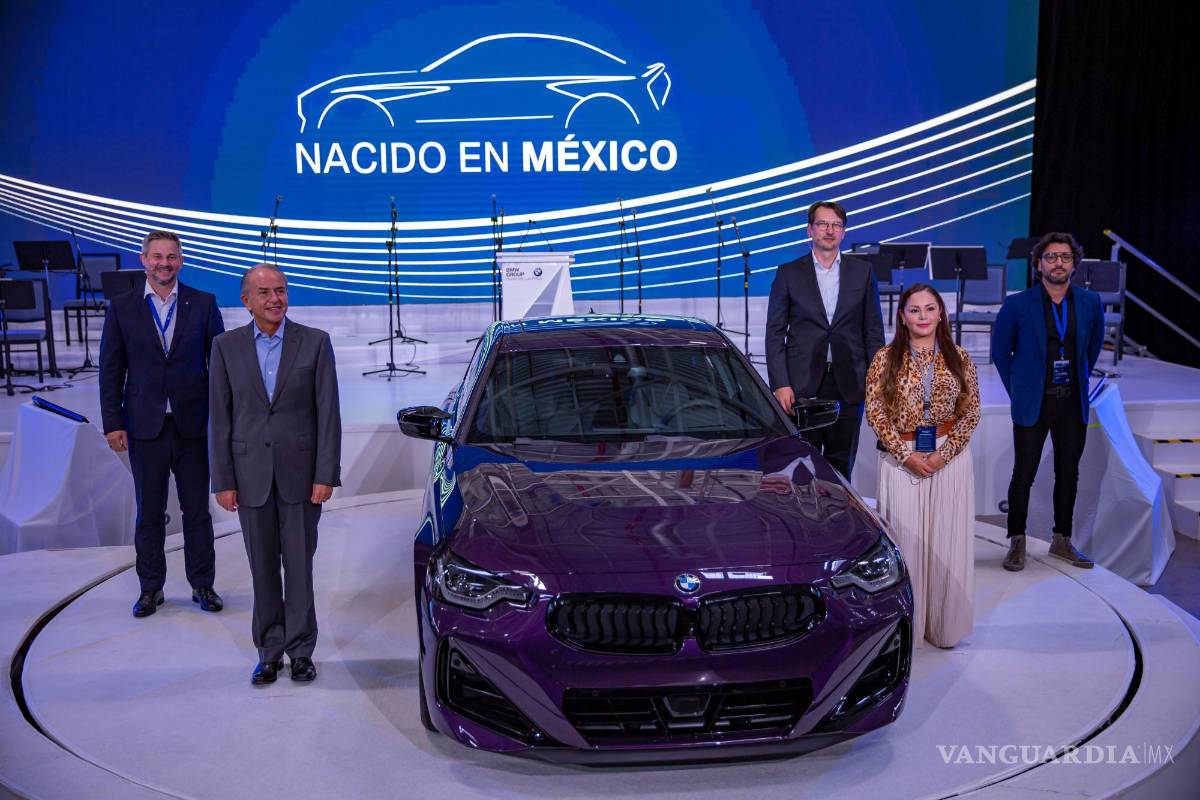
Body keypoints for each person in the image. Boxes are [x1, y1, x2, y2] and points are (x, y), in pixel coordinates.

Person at [209, 264, 341, 685]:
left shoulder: (315, 343)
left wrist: (326, 473)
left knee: (299, 568)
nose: (275, 299)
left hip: (301, 476)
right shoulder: (225, 347)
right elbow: (221, 418)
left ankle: (301, 651)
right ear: (246, 300)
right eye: (264, 292)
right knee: (262, 568)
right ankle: (269, 651)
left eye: (281, 290)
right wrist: (223, 480)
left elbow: (328, 415)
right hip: (249, 478)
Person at [99, 230, 225, 618]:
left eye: (171, 257)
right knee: (148, 513)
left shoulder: (203, 303)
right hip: (143, 426)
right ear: (143, 260)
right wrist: (112, 422)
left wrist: (221, 422)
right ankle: (150, 588)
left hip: (193, 426)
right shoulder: (122, 307)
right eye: (157, 257)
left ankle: (202, 585)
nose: (164, 263)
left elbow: (219, 368)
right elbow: (111, 368)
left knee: (197, 513)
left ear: (181, 261)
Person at [866, 284, 980, 648]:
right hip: (902, 459)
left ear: (941, 313)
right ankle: (908, 631)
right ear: (902, 316)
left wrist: (943, 455)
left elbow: (972, 411)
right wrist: (905, 454)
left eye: (930, 309)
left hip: (949, 457)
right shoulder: (885, 358)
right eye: (914, 310)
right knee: (907, 544)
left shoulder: (959, 356)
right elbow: (875, 412)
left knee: (946, 545)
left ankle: (944, 626)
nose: (923, 317)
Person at [992, 232, 1104, 571]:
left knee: (1068, 472)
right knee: (1023, 473)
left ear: (1074, 264)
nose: (1058, 263)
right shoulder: (1017, 304)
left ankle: (1062, 540)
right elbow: (1001, 353)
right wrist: (1021, 390)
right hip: (1033, 403)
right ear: (1039, 264)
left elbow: (1092, 349)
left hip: (1072, 402)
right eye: (1051, 257)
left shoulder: (1089, 302)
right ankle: (1016, 541)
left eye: (1065, 257)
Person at [765, 200, 885, 480]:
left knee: (841, 468)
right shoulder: (788, 273)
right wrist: (780, 383)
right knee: (802, 467)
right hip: (802, 385)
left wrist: (876, 381)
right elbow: (774, 333)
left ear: (843, 232)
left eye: (836, 225)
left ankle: (841, 523)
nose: (829, 230)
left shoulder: (862, 271)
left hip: (850, 383)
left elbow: (873, 332)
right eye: (822, 224)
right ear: (810, 230)